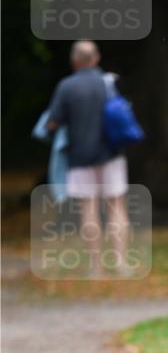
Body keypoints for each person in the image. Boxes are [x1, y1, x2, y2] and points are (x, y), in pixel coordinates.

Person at [48, 40, 129, 276]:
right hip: (112, 154)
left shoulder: (66, 87)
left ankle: (96, 267)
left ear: (74, 62)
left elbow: (53, 122)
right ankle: (121, 263)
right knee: (116, 207)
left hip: (80, 157)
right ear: (96, 58)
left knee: (89, 209)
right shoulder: (110, 82)